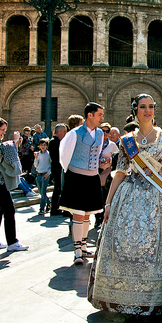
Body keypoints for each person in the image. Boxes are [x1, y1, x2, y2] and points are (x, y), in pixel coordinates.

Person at [88, 94, 162, 315]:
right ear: (135, 110)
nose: (148, 111)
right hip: (129, 197)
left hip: (160, 199)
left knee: (159, 247)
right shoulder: (127, 141)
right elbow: (121, 172)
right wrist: (108, 203)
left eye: (151, 107)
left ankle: (160, 295)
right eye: (143, 107)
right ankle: (128, 294)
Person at [59, 103, 105, 264]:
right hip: (77, 176)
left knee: (87, 213)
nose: (102, 118)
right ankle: (77, 250)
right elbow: (64, 154)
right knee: (78, 212)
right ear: (89, 115)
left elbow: (97, 152)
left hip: (92, 177)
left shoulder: (100, 133)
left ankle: (84, 247)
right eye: (99, 114)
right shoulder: (74, 133)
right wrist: (71, 173)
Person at [0, 117, 28, 252]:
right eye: (2, 130)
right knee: (9, 210)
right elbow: (3, 152)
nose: (3, 132)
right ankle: (12, 242)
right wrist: (13, 142)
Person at [95, 122, 119, 228]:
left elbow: (117, 160)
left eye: (107, 131)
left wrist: (109, 161)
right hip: (95, 172)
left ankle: (103, 217)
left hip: (106, 174)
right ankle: (97, 218)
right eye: (102, 131)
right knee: (96, 197)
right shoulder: (95, 143)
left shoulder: (112, 145)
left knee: (104, 196)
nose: (105, 133)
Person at [48, 123, 67, 216]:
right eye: (64, 131)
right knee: (57, 188)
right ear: (58, 132)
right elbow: (57, 157)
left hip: (58, 168)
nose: (65, 133)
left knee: (58, 188)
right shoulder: (54, 141)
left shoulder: (57, 141)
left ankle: (57, 207)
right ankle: (54, 208)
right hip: (57, 169)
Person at [34, 138, 51, 215]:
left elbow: (51, 164)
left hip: (45, 173)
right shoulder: (38, 154)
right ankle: (49, 202)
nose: (43, 146)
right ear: (39, 146)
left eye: (44, 145)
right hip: (39, 173)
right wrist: (36, 158)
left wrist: (48, 173)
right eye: (41, 145)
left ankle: (42, 208)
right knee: (41, 192)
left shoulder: (48, 154)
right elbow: (36, 165)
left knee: (43, 191)